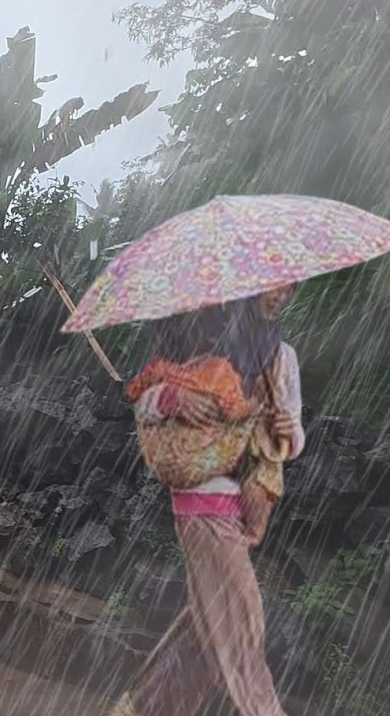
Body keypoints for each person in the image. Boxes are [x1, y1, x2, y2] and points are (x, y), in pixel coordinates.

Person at [112, 286, 304, 716]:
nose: (281, 294)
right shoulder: (202, 335)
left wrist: (287, 427)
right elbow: (143, 401)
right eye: (275, 284)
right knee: (242, 627)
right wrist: (171, 397)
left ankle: (143, 708)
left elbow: (289, 445)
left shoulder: (279, 357)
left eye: (291, 286)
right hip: (202, 502)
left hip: (242, 505)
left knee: (207, 628)